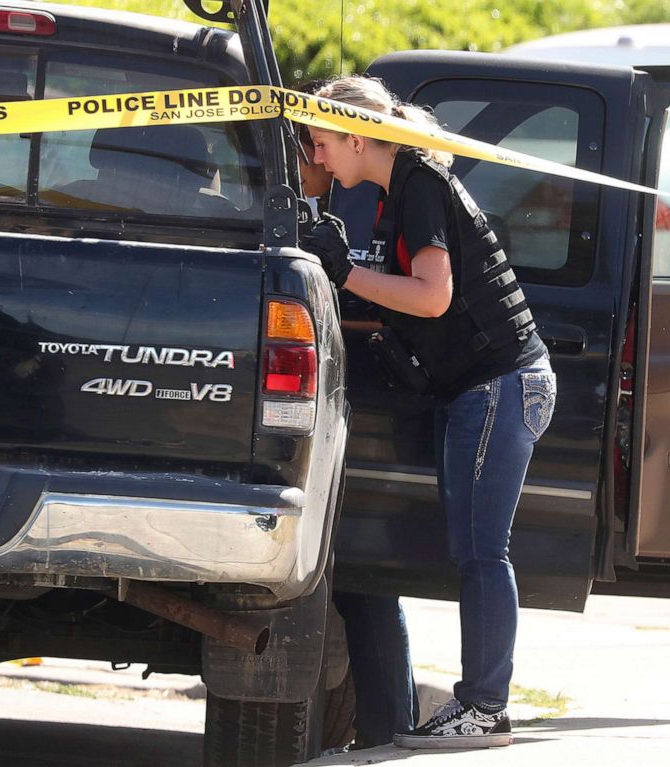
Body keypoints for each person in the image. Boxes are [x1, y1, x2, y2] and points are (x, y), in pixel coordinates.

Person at [299, 75, 557, 750]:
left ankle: (486, 706)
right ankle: (478, 701)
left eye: (323, 143)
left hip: (500, 384)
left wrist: (344, 272)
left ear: (356, 137)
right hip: (488, 385)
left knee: (481, 553)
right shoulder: (402, 188)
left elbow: (434, 295)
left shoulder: (418, 186)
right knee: (472, 550)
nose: (319, 157)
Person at [295, 84, 420, 751]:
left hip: (367, 399)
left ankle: (388, 724)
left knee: (366, 574)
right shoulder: (318, 199)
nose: (309, 156)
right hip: (318, 405)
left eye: (315, 145)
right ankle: (380, 721)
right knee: (345, 580)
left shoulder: (383, 190)